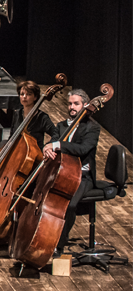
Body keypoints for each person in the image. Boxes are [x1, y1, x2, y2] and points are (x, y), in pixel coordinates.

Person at [44, 89, 101, 255]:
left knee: (69, 205)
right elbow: (51, 142)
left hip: (81, 177)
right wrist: (47, 148)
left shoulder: (92, 128)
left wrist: (59, 146)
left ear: (85, 105)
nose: (72, 107)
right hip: (60, 174)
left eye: (76, 103)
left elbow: (83, 149)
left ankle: (59, 245)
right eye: (70, 103)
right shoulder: (62, 126)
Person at [9, 81, 56, 149]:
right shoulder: (17, 113)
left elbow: (56, 134)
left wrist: (48, 146)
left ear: (35, 97)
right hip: (17, 152)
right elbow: (12, 136)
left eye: (28, 94)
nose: (24, 97)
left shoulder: (42, 117)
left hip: (34, 155)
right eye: (22, 94)